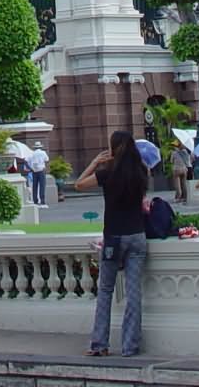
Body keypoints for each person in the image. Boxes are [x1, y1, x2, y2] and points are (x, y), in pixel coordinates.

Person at [75, 130, 149, 357]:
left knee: (106, 289)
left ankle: (100, 344)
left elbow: (78, 185)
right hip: (137, 236)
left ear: (113, 148)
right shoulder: (141, 172)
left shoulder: (108, 174)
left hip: (114, 237)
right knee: (133, 293)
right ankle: (130, 346)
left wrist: (96, 162)